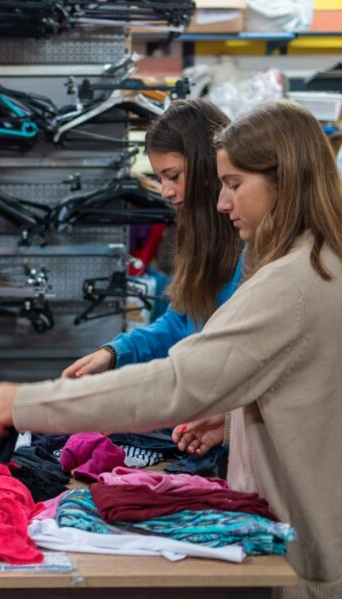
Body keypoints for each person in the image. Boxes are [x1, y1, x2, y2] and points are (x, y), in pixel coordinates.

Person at [0, 101, 342, 598]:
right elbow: (329, 399)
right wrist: (231, 422)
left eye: (234, 184)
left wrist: (31, 404)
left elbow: (175, 384)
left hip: (306, 552)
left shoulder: (290, 286)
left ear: (283, 180)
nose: (223, 203)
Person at [62, 99, 241, 456]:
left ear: (208, 166)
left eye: (173, 176)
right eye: (159, 178)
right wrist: (115, 353)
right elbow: (185, 319)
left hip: (232, 428)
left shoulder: (251, 244)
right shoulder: (203, 234)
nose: (165, 191)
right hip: (209, 424)